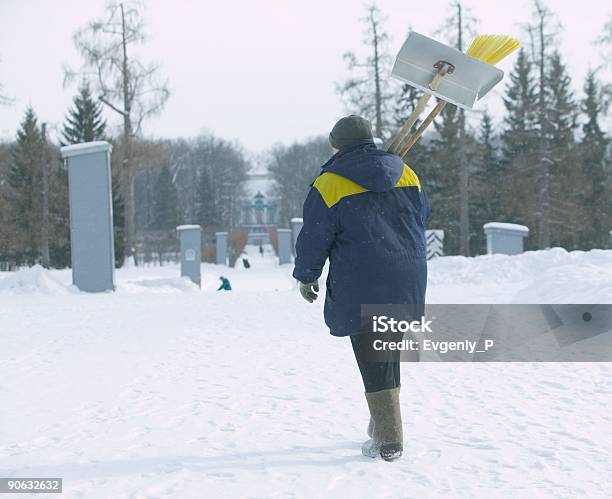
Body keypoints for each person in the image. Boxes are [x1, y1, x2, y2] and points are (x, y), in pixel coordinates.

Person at [293, 115, 429, 461]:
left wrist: (307, 276)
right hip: (406, 274)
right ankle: (382, 424)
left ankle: (389, 441)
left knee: (373, 357)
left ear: (337, 145)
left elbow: (314, 237)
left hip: (363, 279)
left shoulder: (329, 184)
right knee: (386, 353)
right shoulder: (405, 172)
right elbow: (420, 217)